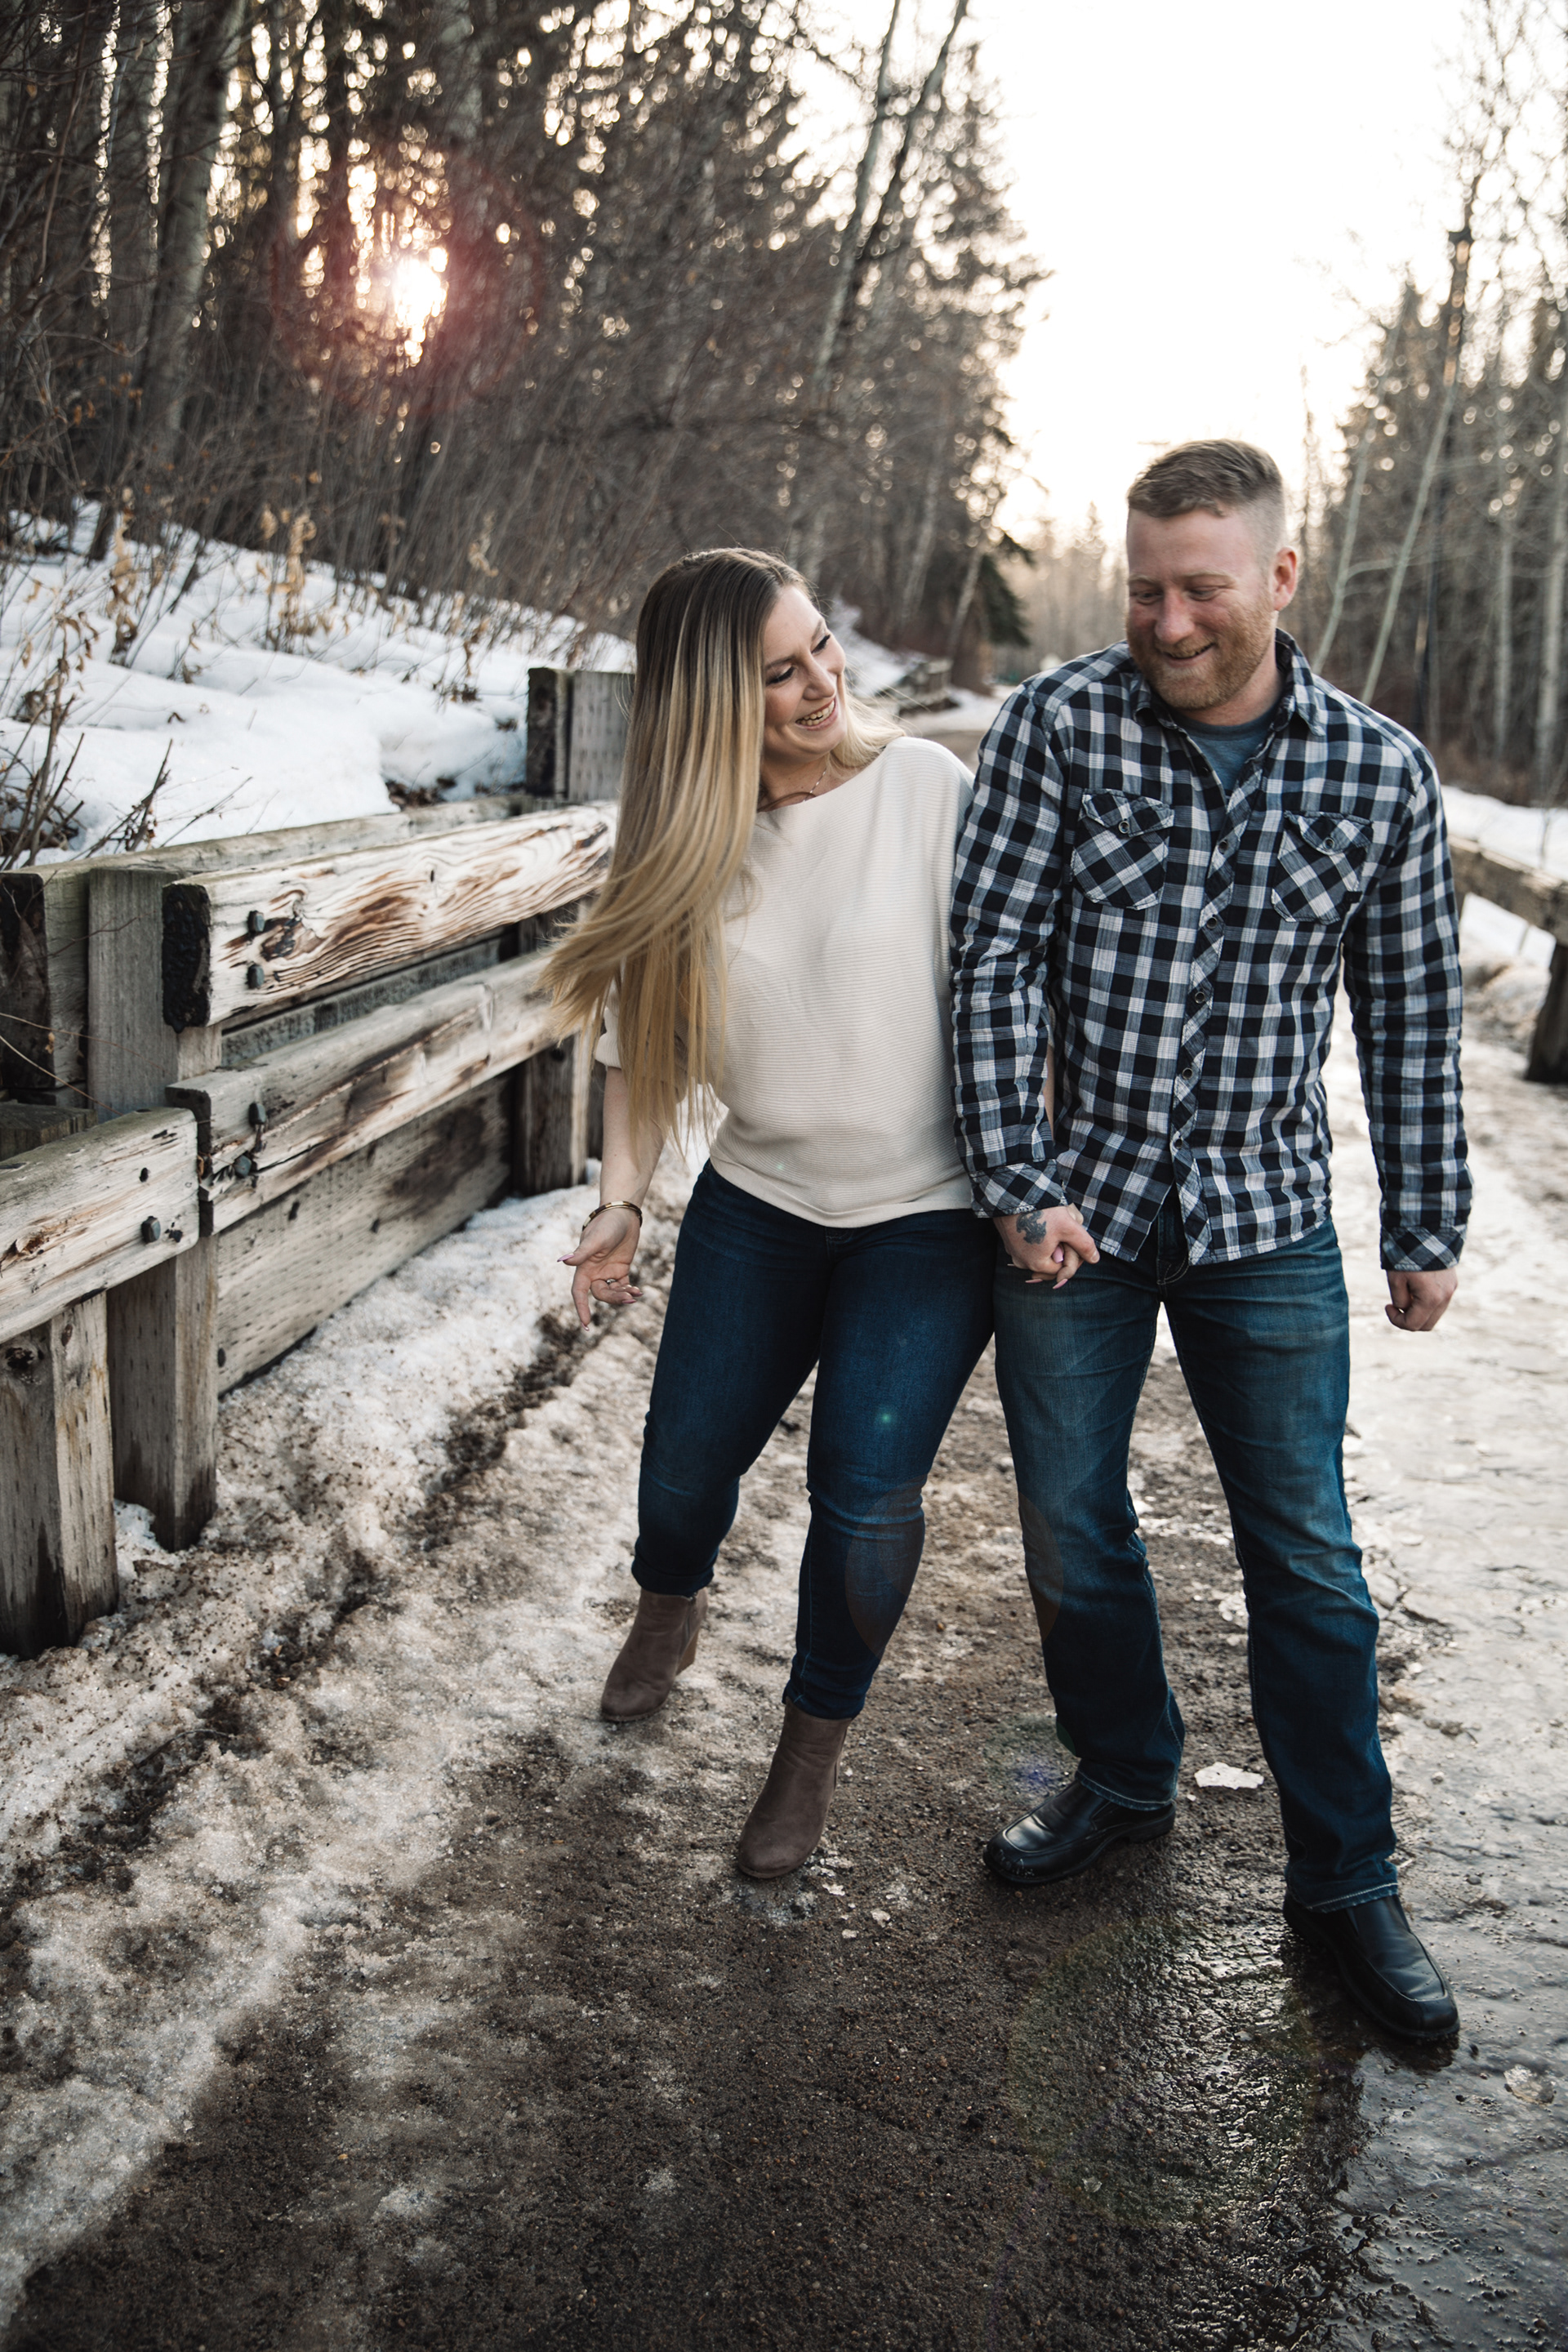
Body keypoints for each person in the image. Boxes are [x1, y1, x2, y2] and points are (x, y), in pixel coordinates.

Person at [951, 440, 1469, 2042]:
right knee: (1068, 1520)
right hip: (1074, 1209)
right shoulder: (1055, 726)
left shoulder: (1379, 775)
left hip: (1264, 1214)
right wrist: (1015, 1176)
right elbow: (989, 971)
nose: (1169, 622)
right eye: (1147, 587)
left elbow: (1411, 1019)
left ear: (1281, 581)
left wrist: (1426, 1218)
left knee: (1305, 1556)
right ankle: (1122, 1773)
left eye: (1204, 590)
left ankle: (1348, 1883)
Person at [547, 546, 995, 1881]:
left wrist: (1041, 1182)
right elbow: (634, 1040)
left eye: (819, 650)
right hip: (760, 1199)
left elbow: (1011, 989)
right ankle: (667, 1604)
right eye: (778, 673)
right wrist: (623, 1202)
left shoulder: (922, 789)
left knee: (864, 1496)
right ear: (707, 713)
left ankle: (808, 1754)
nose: (819, 684)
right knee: (683, 1464)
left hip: (928, 1216)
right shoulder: (689, 841)